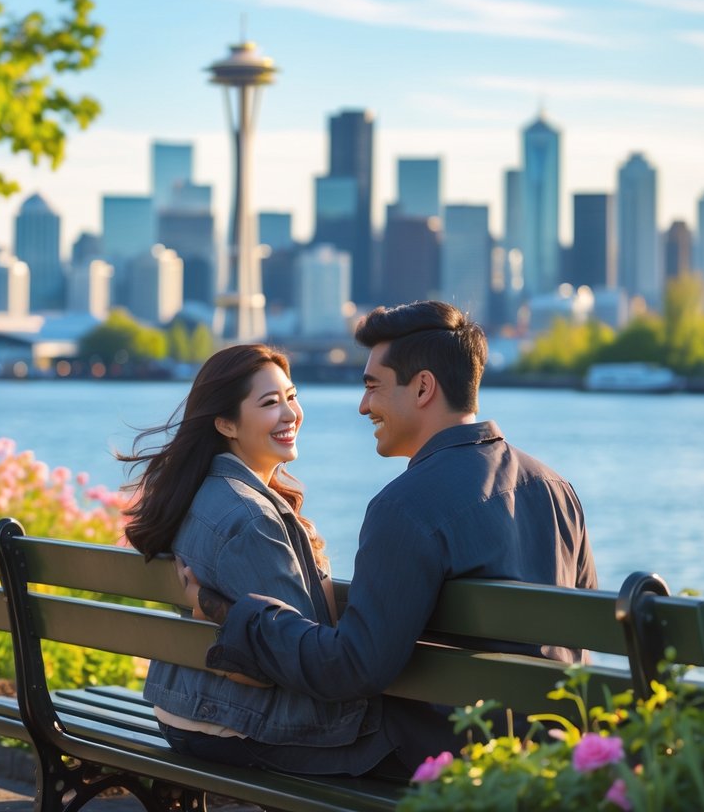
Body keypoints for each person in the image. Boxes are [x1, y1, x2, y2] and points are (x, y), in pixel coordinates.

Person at [180, 301, 599, 773]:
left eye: (372, 387)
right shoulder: (556, 488)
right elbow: (579, 635)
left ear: (423, 387)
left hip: (444, 750)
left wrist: (227, 610)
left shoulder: (405, 507)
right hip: (552, 743)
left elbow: (351, 668)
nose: (363, 406)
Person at [118, 343, 405, 778]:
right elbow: (296, 663)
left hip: (181, 709)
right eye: (270, 403)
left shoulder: (196, 492)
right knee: (420, 746)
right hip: (240, 726)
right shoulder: (251, 518)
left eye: (292, 396)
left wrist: (207, 603)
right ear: (226, 423)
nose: (291, 413)